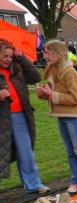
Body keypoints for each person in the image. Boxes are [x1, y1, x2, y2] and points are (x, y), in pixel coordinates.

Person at [36, 40, 77, 194]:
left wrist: (52, 95)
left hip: (73, 116)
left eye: (47, 52)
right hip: (61, 115)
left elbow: (76, 98)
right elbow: (52, 93)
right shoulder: (53, 70)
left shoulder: (70, 72)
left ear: (57, 53)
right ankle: (76, 180)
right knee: (70, 151)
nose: (45, 55)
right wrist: (44, 95)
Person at [0, 39, 50, 194]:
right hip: (2, 119)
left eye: (10, 56)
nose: (8, 59)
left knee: (26, 151)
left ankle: (33, 184)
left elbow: (35, 77)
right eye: (4, 56)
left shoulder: (17, 68)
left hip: (20, 116)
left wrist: (20, 57)